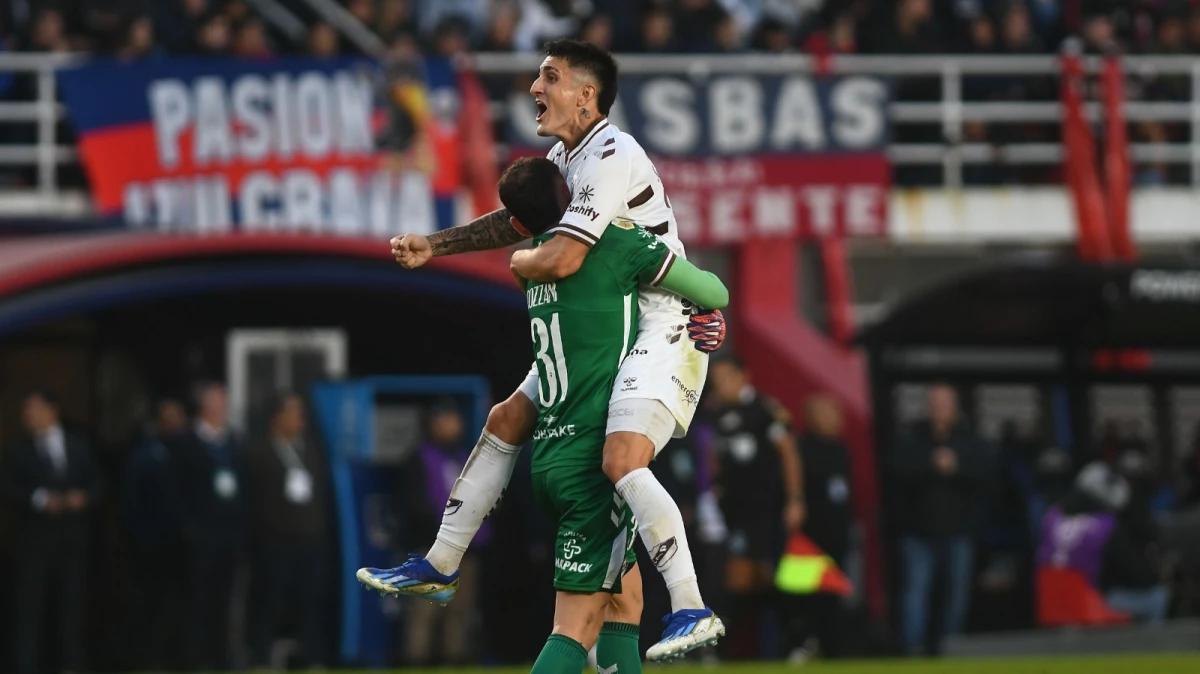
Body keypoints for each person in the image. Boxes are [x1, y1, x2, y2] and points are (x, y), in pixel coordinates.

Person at [371, 38, 728, 660]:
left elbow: (559, 255)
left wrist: (520, 264)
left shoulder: (612, 154)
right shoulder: (566, 158)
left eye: (550, 76)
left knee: (620, 460)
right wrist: (436, 244)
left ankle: (693, 605)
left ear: (585, 96)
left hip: (660, 326)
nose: (536, 87)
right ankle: (442, 561)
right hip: (606, 327)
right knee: (508, 417)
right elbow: (521, 222)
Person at [704, 355, 805, 659]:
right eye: (716, 380)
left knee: (756, 573)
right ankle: (798, 640)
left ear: (743, 376)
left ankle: (718, 649)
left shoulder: (765, 410)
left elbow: (789, 454)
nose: (720, 385)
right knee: (754, 575)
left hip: (768, 508)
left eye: (725, 378)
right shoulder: (717, 414)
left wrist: (795, 498)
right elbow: (717, 459)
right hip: (735, 510)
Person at [1, 390, 101, 674]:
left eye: (33, 411)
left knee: (72, 608)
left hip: (72, 540)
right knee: (30, 609)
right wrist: (40, 499)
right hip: (34, 542)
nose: (28, 418)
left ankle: (72, 666)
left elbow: (98, 481)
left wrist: (83, 497)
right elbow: (8, 486)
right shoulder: (17, 448)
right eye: (25, 413)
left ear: (52, 411)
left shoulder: (79, 444)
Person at [891, 384, 990, 656]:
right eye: (935, 404)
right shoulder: (912, 439)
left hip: (959, 531)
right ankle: (914, 649)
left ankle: (951, 648)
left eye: (945, 404)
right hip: (918, 532)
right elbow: (896, 471)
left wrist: (956, 467)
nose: (940, 409)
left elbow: (987, 474)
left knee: (956, 595)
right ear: (927, 407)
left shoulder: (969, 440)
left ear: (955, 408)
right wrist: (930, 464)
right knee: (916, 592)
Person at [400, 400, 488, 666]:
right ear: (432, 424)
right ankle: (416, 661)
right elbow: (413, 505)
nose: (452, 425)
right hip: (432, 547)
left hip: (465, 547)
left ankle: (454, 660)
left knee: (459, 610)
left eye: (454, 419)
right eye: (445, 420)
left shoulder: (464, 456)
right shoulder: (418, 458)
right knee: (425, 610)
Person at [247, 392, 330, 668]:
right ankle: (261, 659)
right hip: (274, 542)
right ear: (276, 417)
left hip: (308, 541)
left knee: (309, 603)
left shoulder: (310, 451)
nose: (299, 418)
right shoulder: (259, 452)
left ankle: (311, 659)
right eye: (293, 412)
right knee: (268, 602)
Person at [174, 381, 247, 671]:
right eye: (216, 402)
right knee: (196, 599)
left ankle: (222, 657)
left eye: (223, 402)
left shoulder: (234, 441)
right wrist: (189, 528)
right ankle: (193, 658)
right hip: (200, 536)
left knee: (225, 600)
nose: (221, 408)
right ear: (204, 405)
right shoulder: (186, 442)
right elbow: (176, 490)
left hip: (230, 535)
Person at [122, 396, 189, 671]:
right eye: (168, 418)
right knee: (150, 602)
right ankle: (149, 659)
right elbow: (132, 500)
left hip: (182, 543)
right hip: (150, 544)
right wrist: (141, 537)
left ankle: (180, 658)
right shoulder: (144, 453)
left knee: (180, 603)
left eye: (178, 418)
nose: (174, 424)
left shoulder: (187, 450)